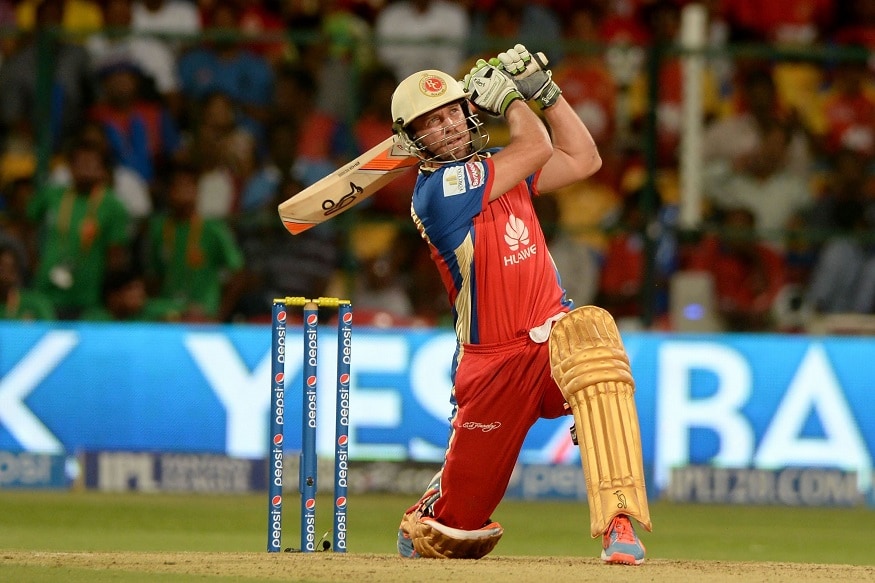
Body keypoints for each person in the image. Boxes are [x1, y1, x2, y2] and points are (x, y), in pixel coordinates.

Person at [390, 45, 651, 563]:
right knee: (456, 536)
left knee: (598, 356)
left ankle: (619, 522)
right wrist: (512, 100)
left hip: (554, 340)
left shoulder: (499, 169)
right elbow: (534, 147)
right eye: (432, 122)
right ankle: (437, 504)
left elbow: (584, 159)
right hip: (493, 367)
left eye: (452, 112)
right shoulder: (438, 191)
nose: (449, 126)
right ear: (413, 139)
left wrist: (545, 93)